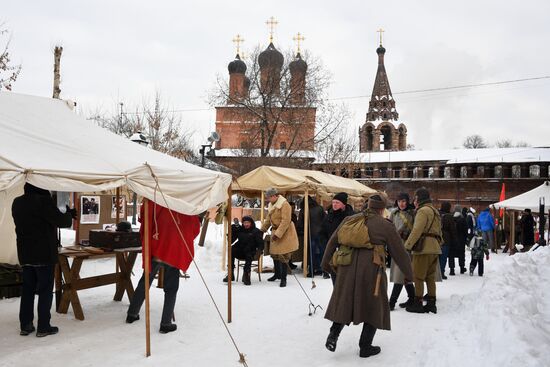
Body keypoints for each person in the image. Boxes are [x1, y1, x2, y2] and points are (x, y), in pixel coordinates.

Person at [321, 193, 413, 358]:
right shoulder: (386, 225)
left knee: (344, 301)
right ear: (382, 209)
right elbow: (400, 253)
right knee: (374, 305)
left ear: (369, 205)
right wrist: (409, 275)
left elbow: (332, 241)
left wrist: (326, 264)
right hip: (372, 270)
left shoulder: (350, 220)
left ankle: (333, 335)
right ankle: (365, 346)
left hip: (346, 267)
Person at [126, 199, 200, 333]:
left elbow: (144, 219)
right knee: (171, 288)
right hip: (174, 251)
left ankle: (132, 314)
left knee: (145, 281)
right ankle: (166, 323)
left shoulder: (155, 199)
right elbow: (194, 228)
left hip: (156, 248)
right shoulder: (185, 203)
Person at [12, 183, 76, 337]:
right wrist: (69, 214)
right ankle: (43, 326)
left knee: (28, 290)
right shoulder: (42, 201)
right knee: (45, 291)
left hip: (25, 253)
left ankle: (26, 325)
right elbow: (63, 222)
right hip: (44, 254)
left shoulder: (17, 202)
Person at [404, 187, 442, 314]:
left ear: (419, 198)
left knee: (418, 276)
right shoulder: (435, 210)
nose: (414, 201)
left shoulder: (422, 211)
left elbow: (417, 230)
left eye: (415, 198)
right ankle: (432, 303)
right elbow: (439, 231)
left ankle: (418, 303)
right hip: (435, 247)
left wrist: (407, 246)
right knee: (430, 277)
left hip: (423, 248)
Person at [260, 188, 299, 288]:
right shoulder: (272, 205)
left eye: (269, 197)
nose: (268, 200)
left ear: (275, 196)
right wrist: (262, 230)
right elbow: (268, 219)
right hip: (275, 231)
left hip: (285, 232)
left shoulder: (285, 205)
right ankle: (277, 274)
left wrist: (278, 234)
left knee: (283, 256)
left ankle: (283, 278)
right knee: (275, 254)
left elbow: (285, 221)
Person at [319, 192, 355, 283]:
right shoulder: (329, 216)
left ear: (344, 204)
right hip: (332, 252)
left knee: (346, 280)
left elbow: (354, 234)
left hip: (347, 253)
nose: (334, 204)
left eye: (337, 202)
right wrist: (326, 245)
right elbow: (322, 233)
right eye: (333, 202)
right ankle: (336, 295)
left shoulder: (351, 216)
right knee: (334, 277)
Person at [388, 192, 416, 310]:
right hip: (397, 246)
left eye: (404, 201)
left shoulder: (413, 213)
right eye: (399, 201)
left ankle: (391, 302)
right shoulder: (393, 213)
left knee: (400, 274)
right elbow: (389, 229)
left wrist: (406, 234)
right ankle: (412, 298)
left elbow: (416, 230)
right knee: (405, 275)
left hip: (408, 247)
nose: (401, 204)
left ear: (407, 201)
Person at [223, 216, 264, 285]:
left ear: (251, 223)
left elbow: (261, 244)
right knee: (232, 250)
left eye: (248, 222)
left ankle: (246, 275)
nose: (246, 224)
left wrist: (259, 252)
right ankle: (230, 273)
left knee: (248, 252)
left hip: (251, 251)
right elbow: (231, 241)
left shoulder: (256, 231)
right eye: (244, 223)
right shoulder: (240, 230)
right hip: (241, 250)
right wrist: (231, 231)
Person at [297, 196, 326, 277]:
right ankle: (324, 271)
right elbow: (325, 219)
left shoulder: (304, 210)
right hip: (321, 233)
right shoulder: (320, 208)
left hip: (310, 234)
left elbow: (300, 224)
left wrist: (300, 230)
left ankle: (312, 271)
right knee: (321, 252)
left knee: (311, 252)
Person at [439, 201, 456, 280]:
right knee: (443, 257)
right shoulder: (449, 216)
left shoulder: (437, 214)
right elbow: (452, 230)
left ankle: (436, 272)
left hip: (437, 237)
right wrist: (454, 239)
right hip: (446, 239)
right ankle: (441, 272)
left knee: (437, 256)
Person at [450, 205, 468, 275]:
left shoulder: (451, 218)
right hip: (461, 240)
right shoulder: (463, 219)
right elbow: (465, 230)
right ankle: (462, 268)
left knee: (451, 255)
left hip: (452, 239)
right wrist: (466, 238)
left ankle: (452, 270)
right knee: (461, 254)